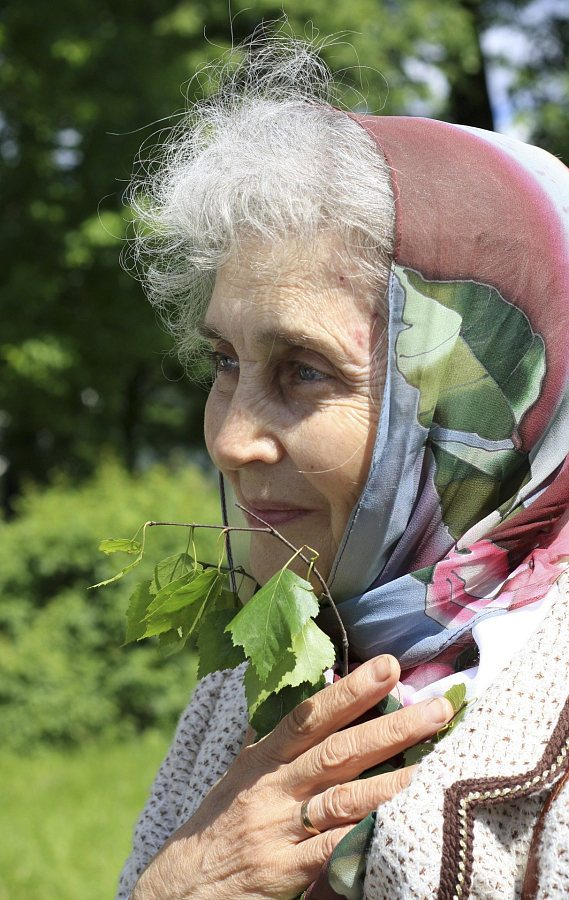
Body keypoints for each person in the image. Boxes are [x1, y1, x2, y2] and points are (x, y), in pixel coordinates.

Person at [117, 33, 569, 900]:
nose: (231, 440)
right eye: (223, 361)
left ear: (475, 403)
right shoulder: (247, 687)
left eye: (304, 371)